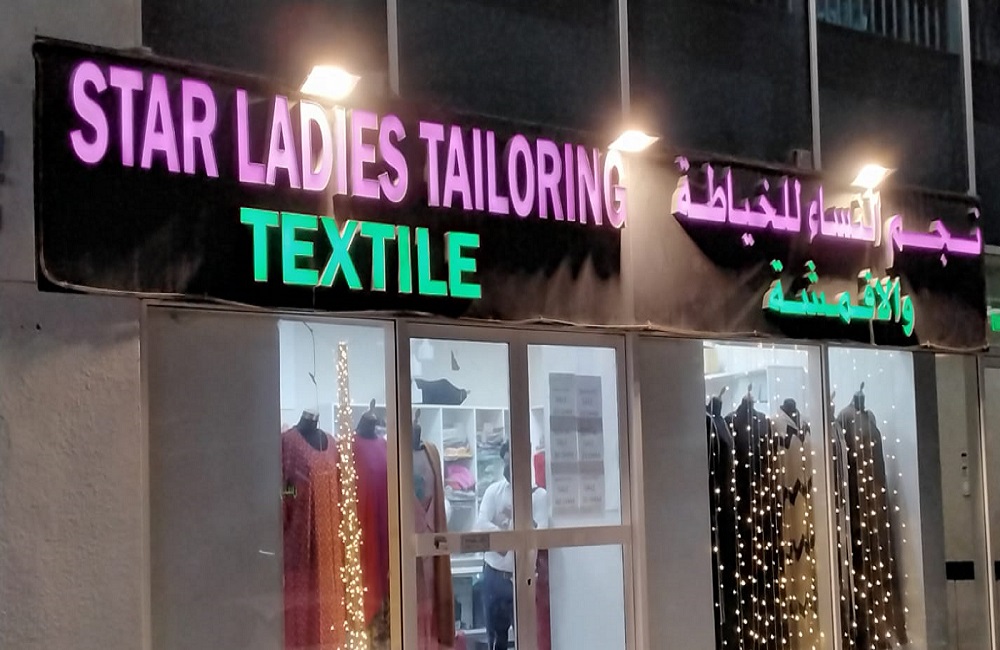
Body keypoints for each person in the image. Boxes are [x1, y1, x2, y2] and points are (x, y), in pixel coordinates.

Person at [475, 441, 549, 650]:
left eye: (513, 461)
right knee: (495, 640)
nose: (509, 467)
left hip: (523, 578)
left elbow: (540, 534)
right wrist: (509, 534)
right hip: (494, 576)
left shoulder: (539, 496)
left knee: (526, 638)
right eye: (506, 462)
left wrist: (509, 525)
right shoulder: (494, 491)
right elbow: (481, 525)